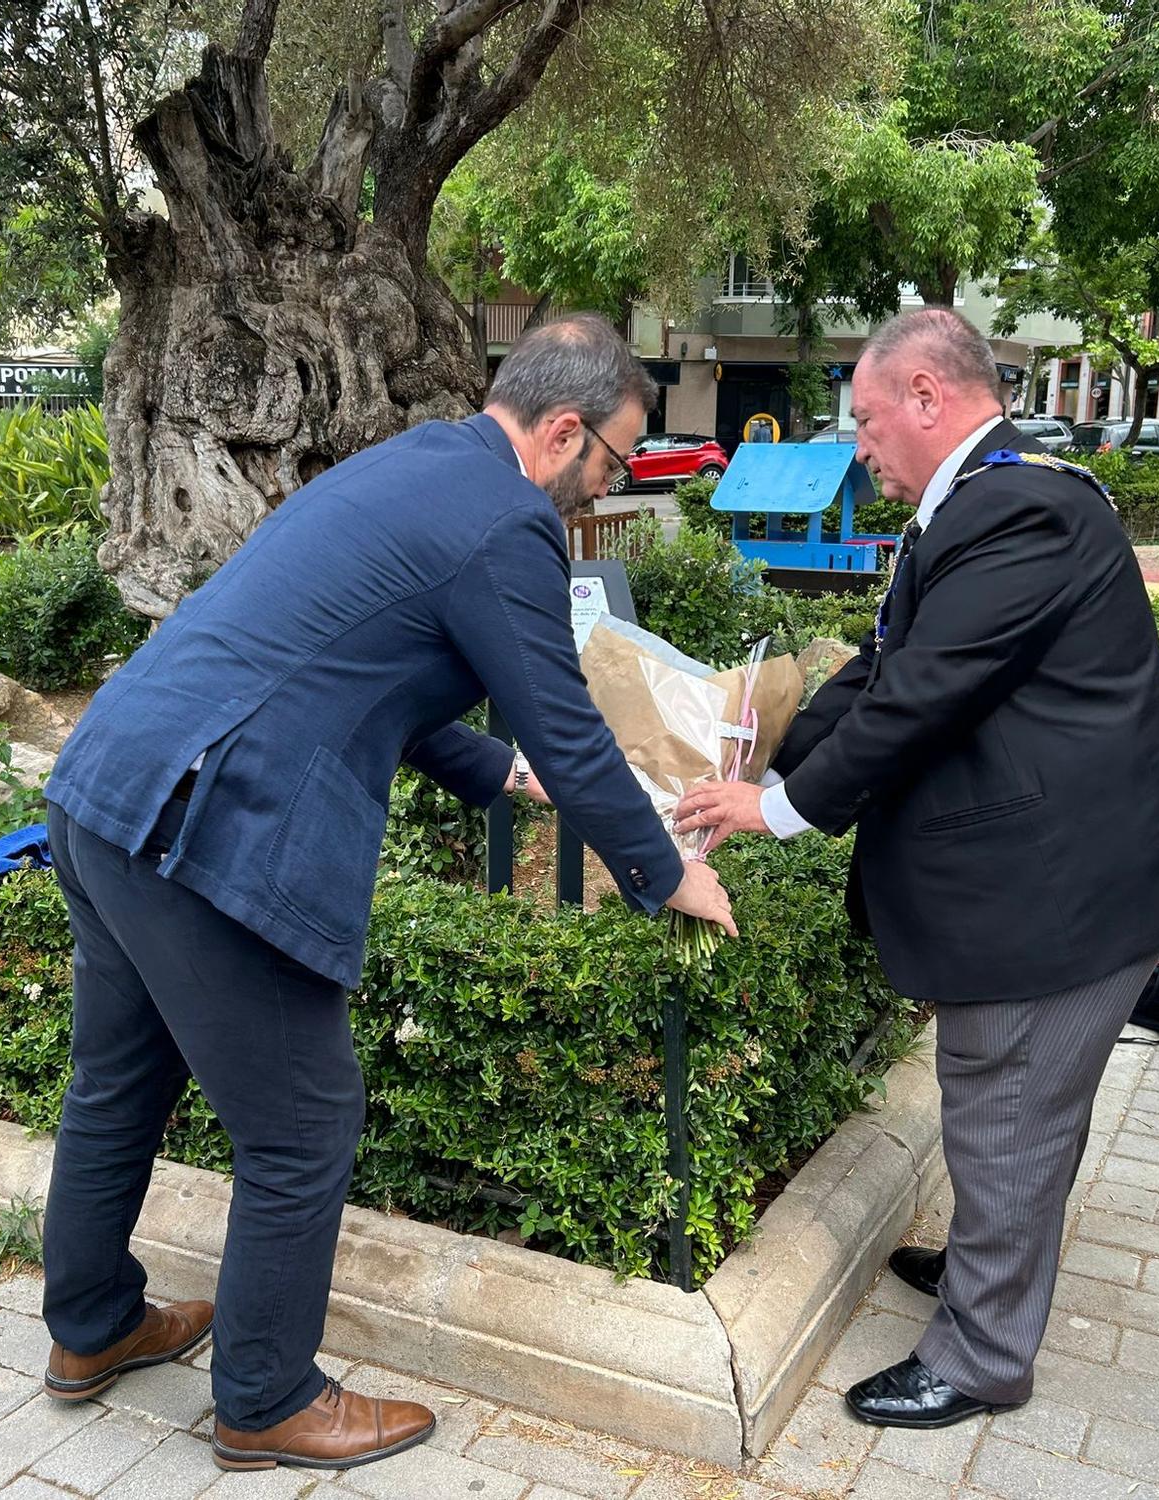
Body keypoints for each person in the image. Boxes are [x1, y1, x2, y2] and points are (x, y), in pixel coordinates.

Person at [38, 314, 735, 1473]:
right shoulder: (508, 523)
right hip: (204, 825)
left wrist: (496, 770)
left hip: (107, 786)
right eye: (612, 459)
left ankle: (92, 1328)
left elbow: (359, 675)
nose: (606, 483)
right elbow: (565, 727)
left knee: (117, 1079)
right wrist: (667, 875)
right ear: (562, 432)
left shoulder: (417, 464)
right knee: (303, 1121)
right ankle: (264, 1399)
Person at [675, 308, 1159, 1431]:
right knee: (1016, 1109)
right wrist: (752, 747)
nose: (860, 445)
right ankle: (993, 1261)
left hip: (1063, 889)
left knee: (1007, 1106)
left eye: (869, 421)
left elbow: (920, 697)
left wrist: (776, 811)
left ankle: (981, 1355)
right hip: (1073, 867)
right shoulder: (977, 503)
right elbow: (873, 668)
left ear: (927, 395)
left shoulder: (1016, 507)